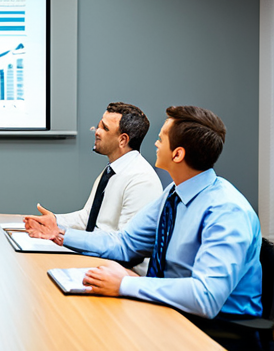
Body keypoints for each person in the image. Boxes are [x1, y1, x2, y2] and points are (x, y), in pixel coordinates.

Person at [25, 106, 262, 319]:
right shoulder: (173, 194)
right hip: (168, 309)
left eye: (161, 139)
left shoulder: (227, 211)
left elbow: (206, 297)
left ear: (177, 154)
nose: (156, 144)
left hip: (217, 330)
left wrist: (126, 284)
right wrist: (61, 234)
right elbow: (125, 243)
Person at [29, 103, 162, 274]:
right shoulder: (112, 170)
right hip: (98, 261)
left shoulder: (141, 180)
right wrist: (54, 221)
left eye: (104, 128)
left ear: (123, 140)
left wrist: (62, 234)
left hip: (120, 272)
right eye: (99, 125)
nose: (97, 132)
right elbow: (88, 217)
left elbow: (126, 250)